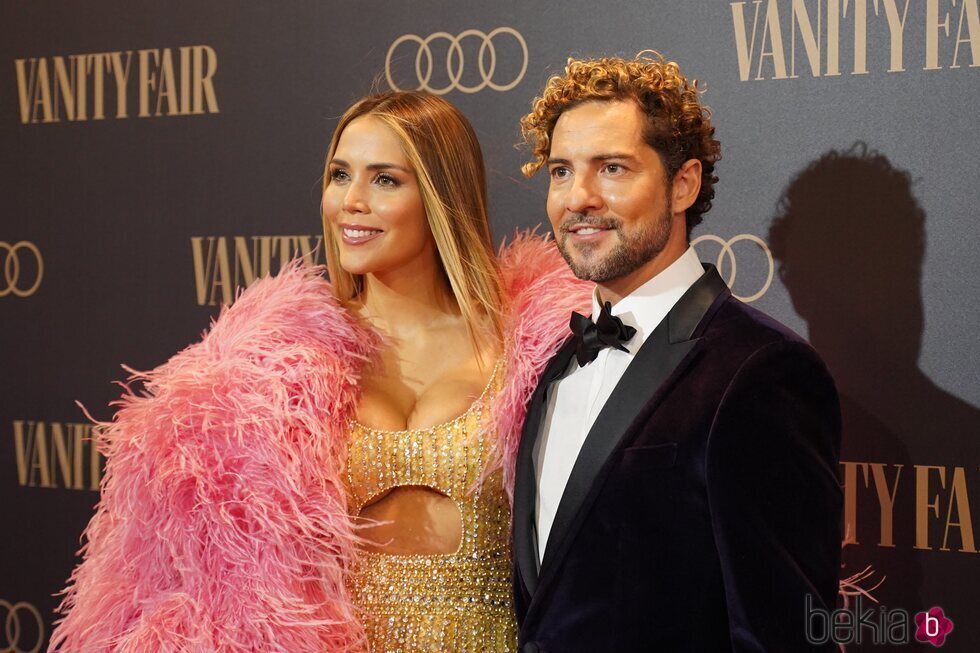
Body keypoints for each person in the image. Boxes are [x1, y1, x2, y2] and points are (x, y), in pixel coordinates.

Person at [49, 91, 589, 652]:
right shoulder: (266, 374)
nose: (350, 201)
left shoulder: (542, 347)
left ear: (440, 196)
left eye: (384, 180)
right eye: (339, 175)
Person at [511, 53, 842, 651]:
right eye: (561, 171)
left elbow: (784, 635)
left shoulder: (758, 370)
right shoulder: (554, 364)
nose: (577, 198)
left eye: (612, 168)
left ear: (683, 183)